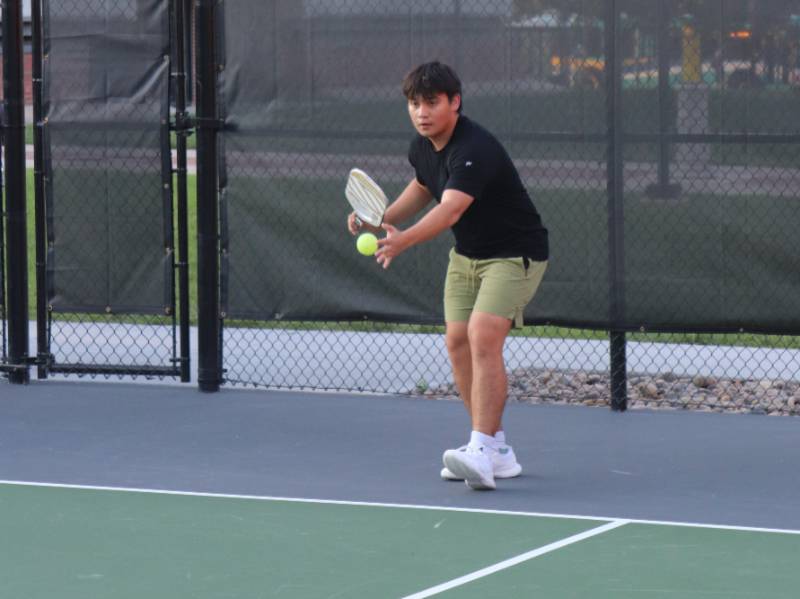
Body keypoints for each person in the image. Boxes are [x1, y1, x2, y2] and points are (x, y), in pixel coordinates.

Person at [347, 61, 548, 490]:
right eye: (414, 104)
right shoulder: (422, 147)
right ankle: (496, 449)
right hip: (467, 256)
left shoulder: (474, 147)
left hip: (515, 255)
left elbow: (450, 208)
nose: (422, 112)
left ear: (455, 103)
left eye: (432, 102)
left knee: (483, 336)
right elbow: (422, 189)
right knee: (457, 341)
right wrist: (376, 218)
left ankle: (480, 446)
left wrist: (403, 241)